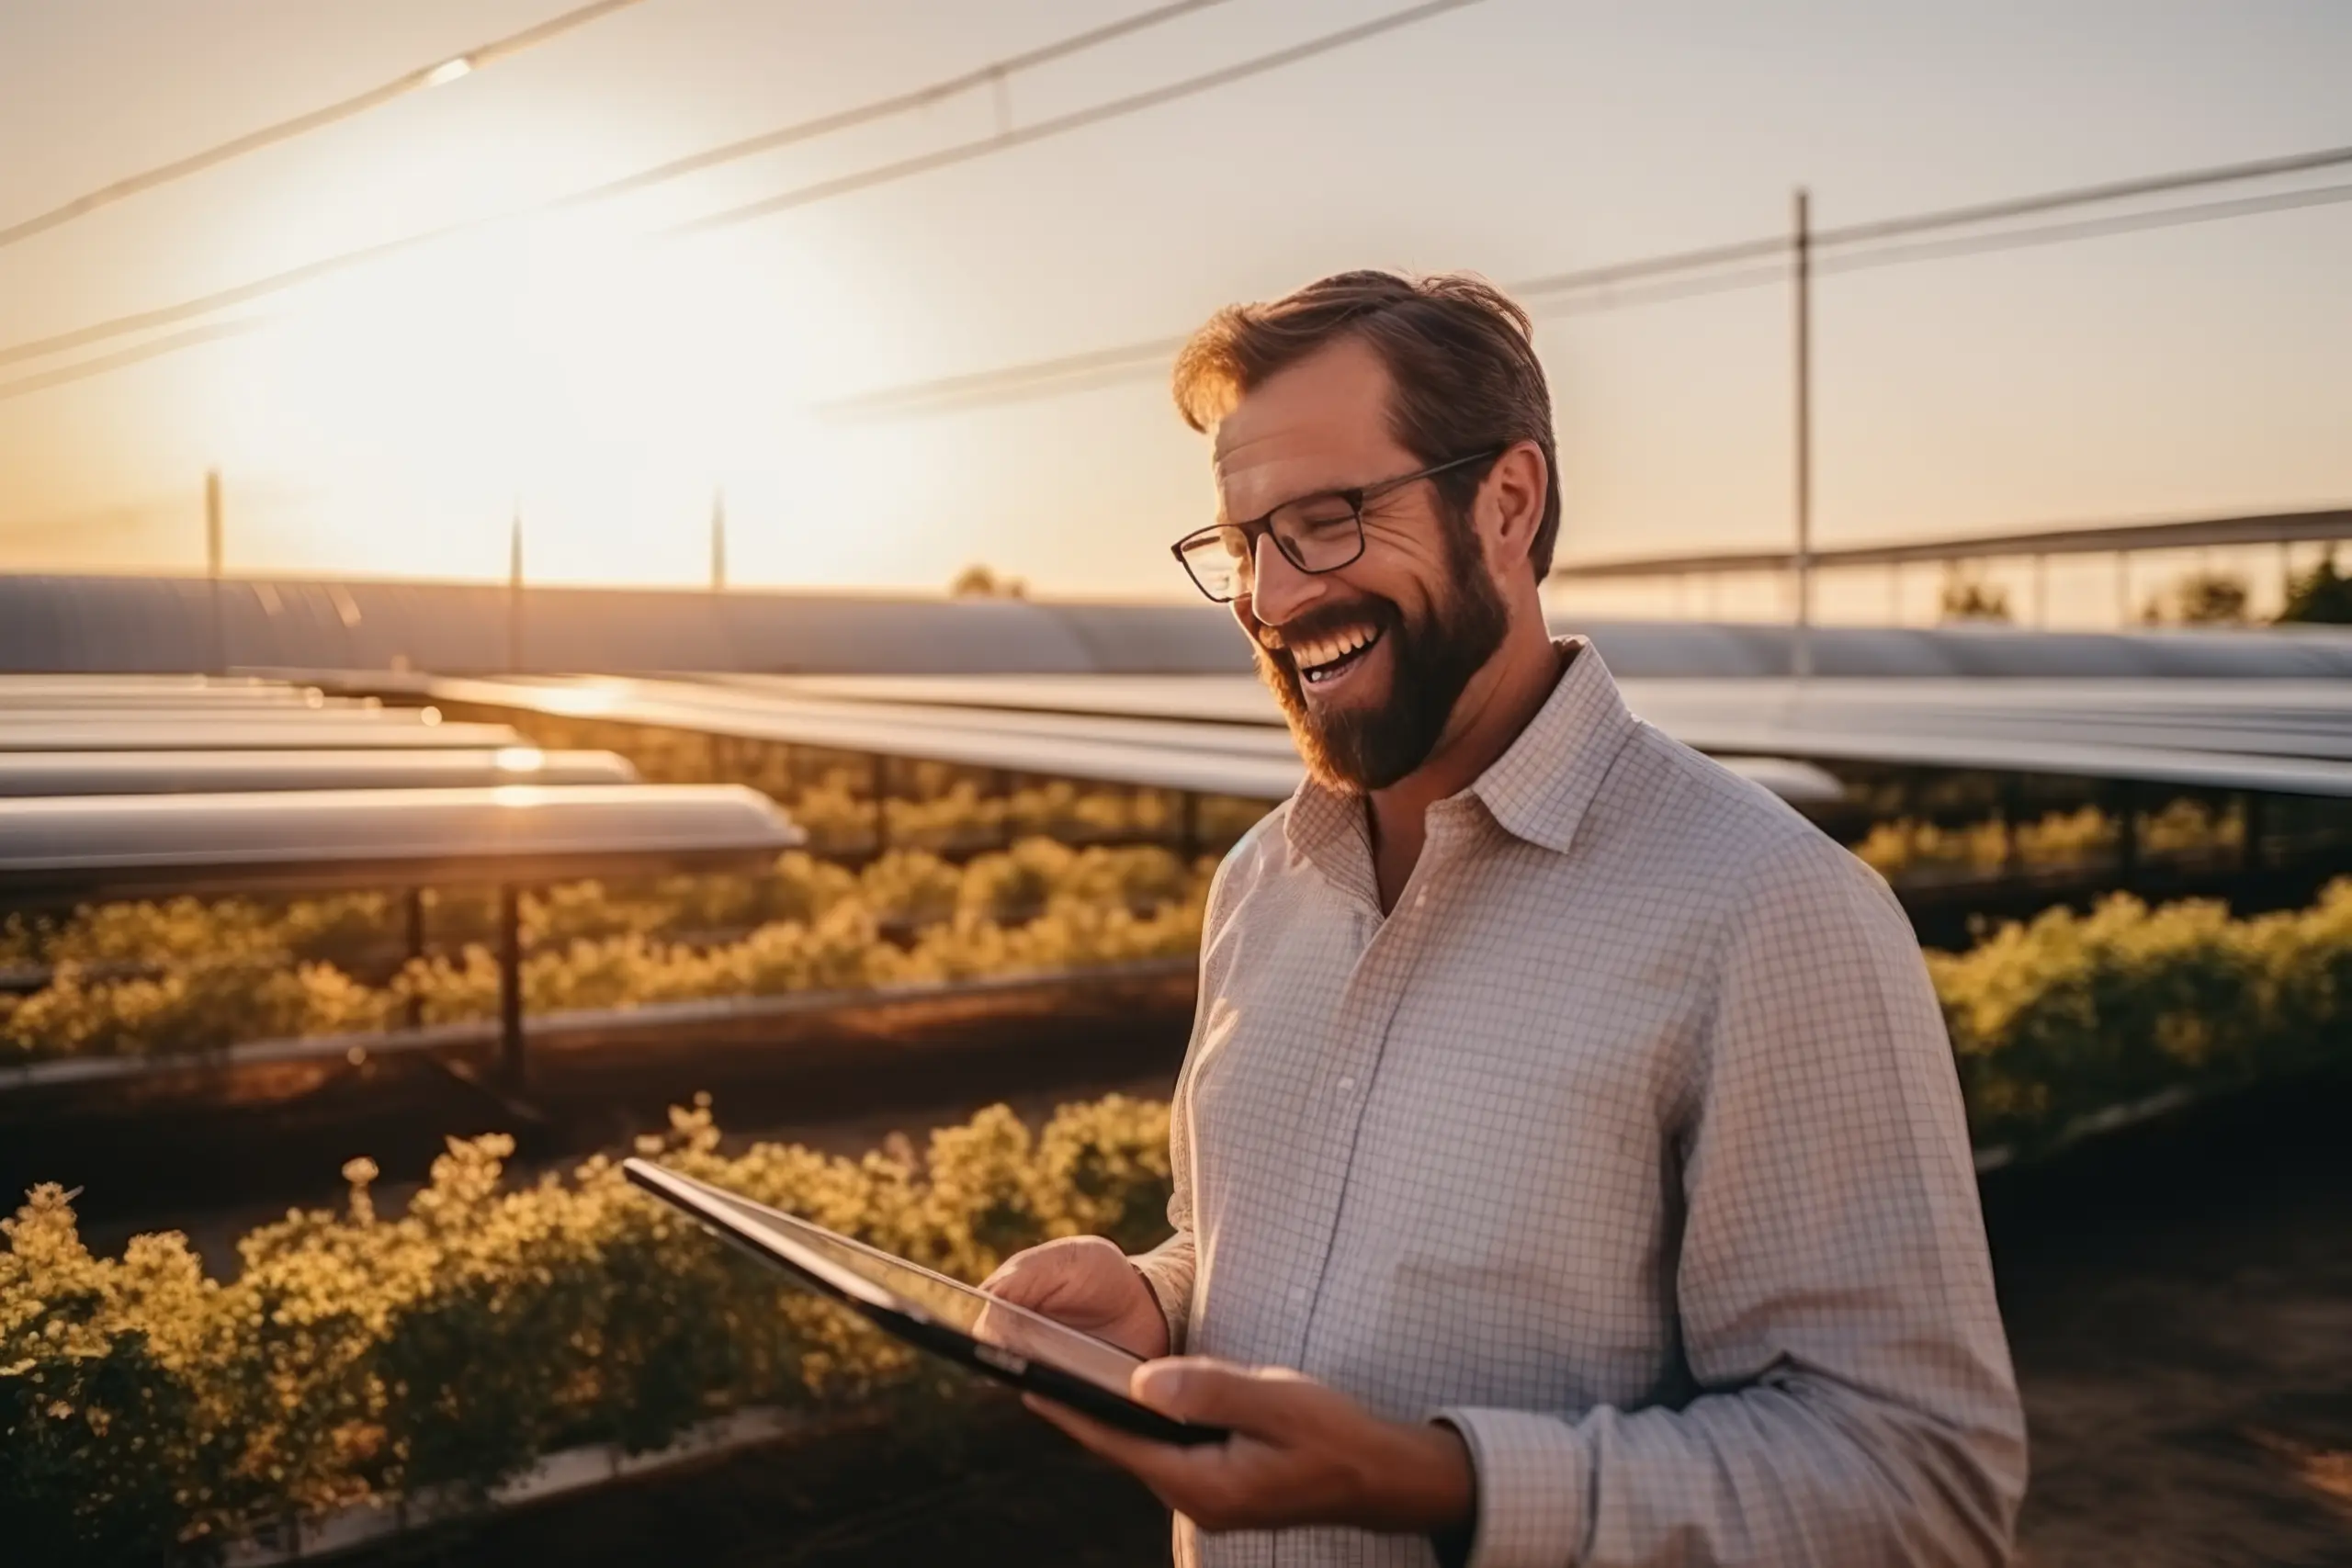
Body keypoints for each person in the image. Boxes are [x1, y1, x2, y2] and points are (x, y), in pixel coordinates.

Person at [982, 270, 2026, 1567]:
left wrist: (1441, 1480)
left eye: (1326, 519)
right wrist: (1158, 1294)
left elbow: (1918, 1487)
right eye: (1243, 541)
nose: (1273, 594)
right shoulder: (1262, 885)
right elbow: (1268, 1251)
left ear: (1508, 503)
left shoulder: (1768, 909)